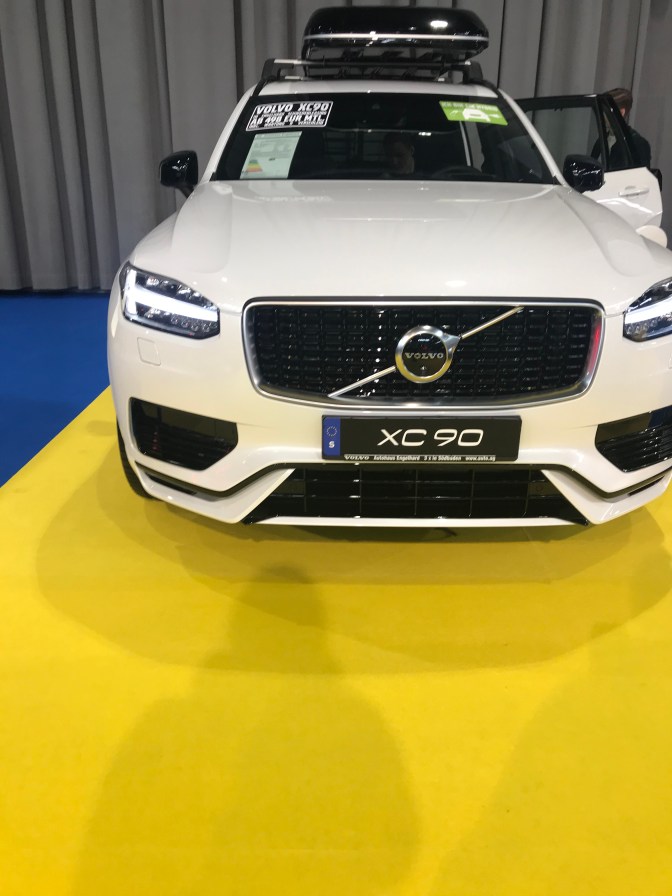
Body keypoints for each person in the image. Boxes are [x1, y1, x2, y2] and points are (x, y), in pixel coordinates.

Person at [607, 86, 652, 169]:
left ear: (621, 112)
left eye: (605, 111)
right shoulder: (602, 139)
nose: (602, 115)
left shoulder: (637, 144)